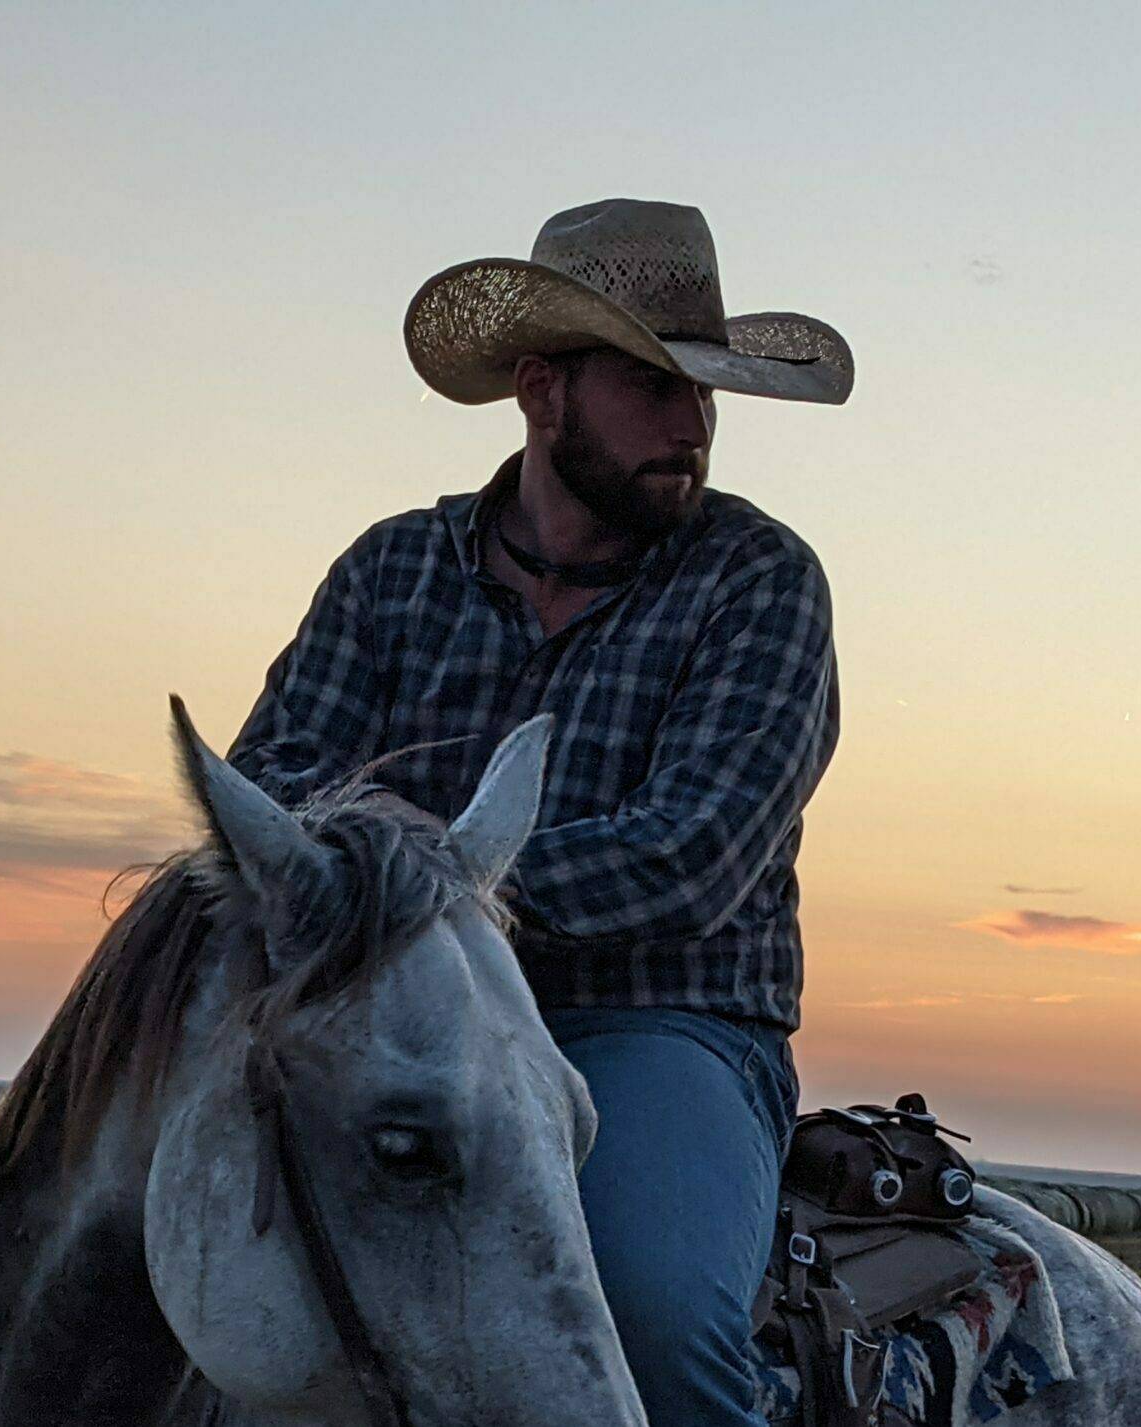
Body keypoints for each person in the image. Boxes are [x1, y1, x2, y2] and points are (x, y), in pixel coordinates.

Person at [227, 197, 851, 1426]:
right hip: (389, 1022)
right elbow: (276, 790)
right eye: (652, 385)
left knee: (655, 1317)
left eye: (705, 391)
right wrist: (398, 928)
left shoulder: (759, 580)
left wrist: (406, 898)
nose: (693, 425)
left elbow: (693, 855)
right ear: (540, 390)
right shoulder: (391, 569)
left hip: (657, 1022)